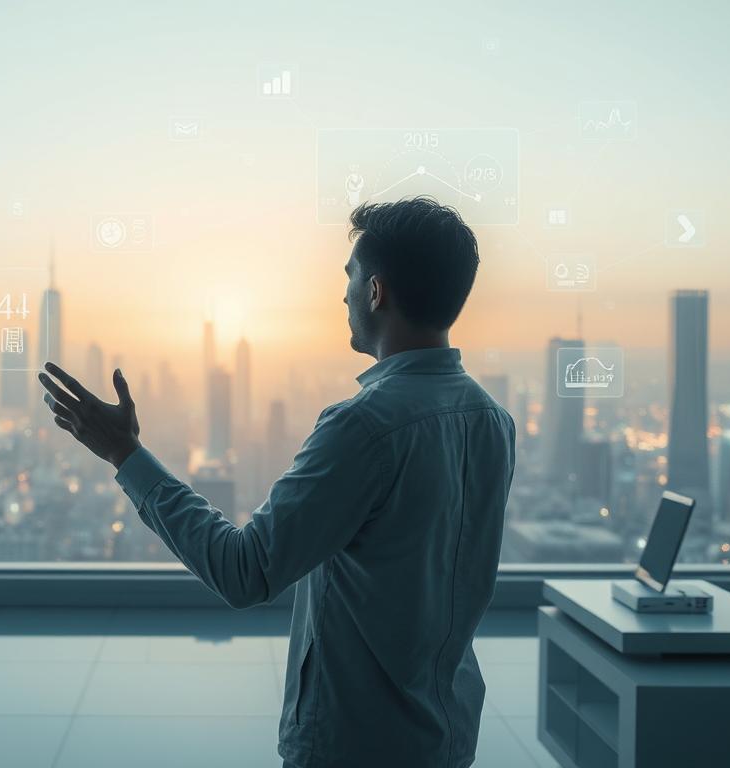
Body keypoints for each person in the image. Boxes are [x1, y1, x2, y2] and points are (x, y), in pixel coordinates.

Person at [37, 196, 516, 768]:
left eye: (350, 277)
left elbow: (246, 571)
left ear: (375, 292)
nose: (342, 294)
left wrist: (125, 455)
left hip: (356, 744)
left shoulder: (364, 426)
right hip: (449, 733)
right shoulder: (493, 420)